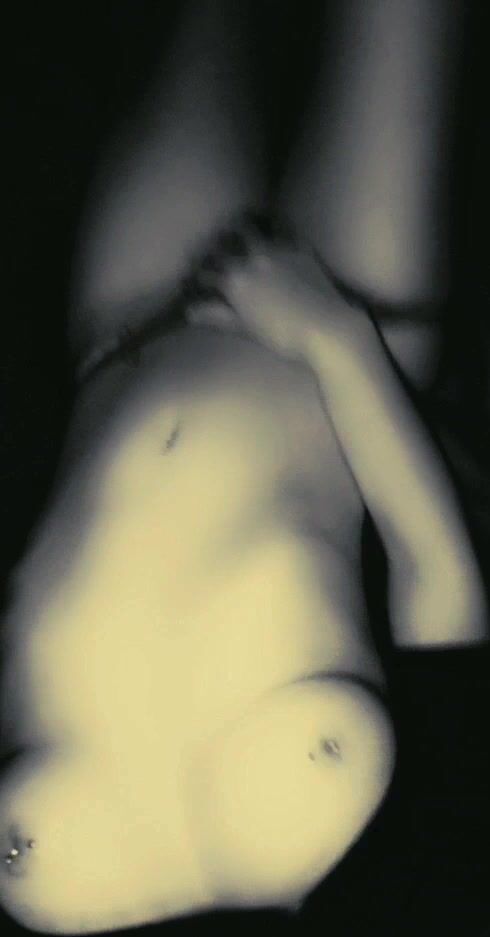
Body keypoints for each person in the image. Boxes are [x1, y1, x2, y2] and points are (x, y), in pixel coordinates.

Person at [0, 2, 488, 934]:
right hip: (350, 317)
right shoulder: (401, 896)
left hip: (134, 317)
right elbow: (446, 597)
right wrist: (333, 334)